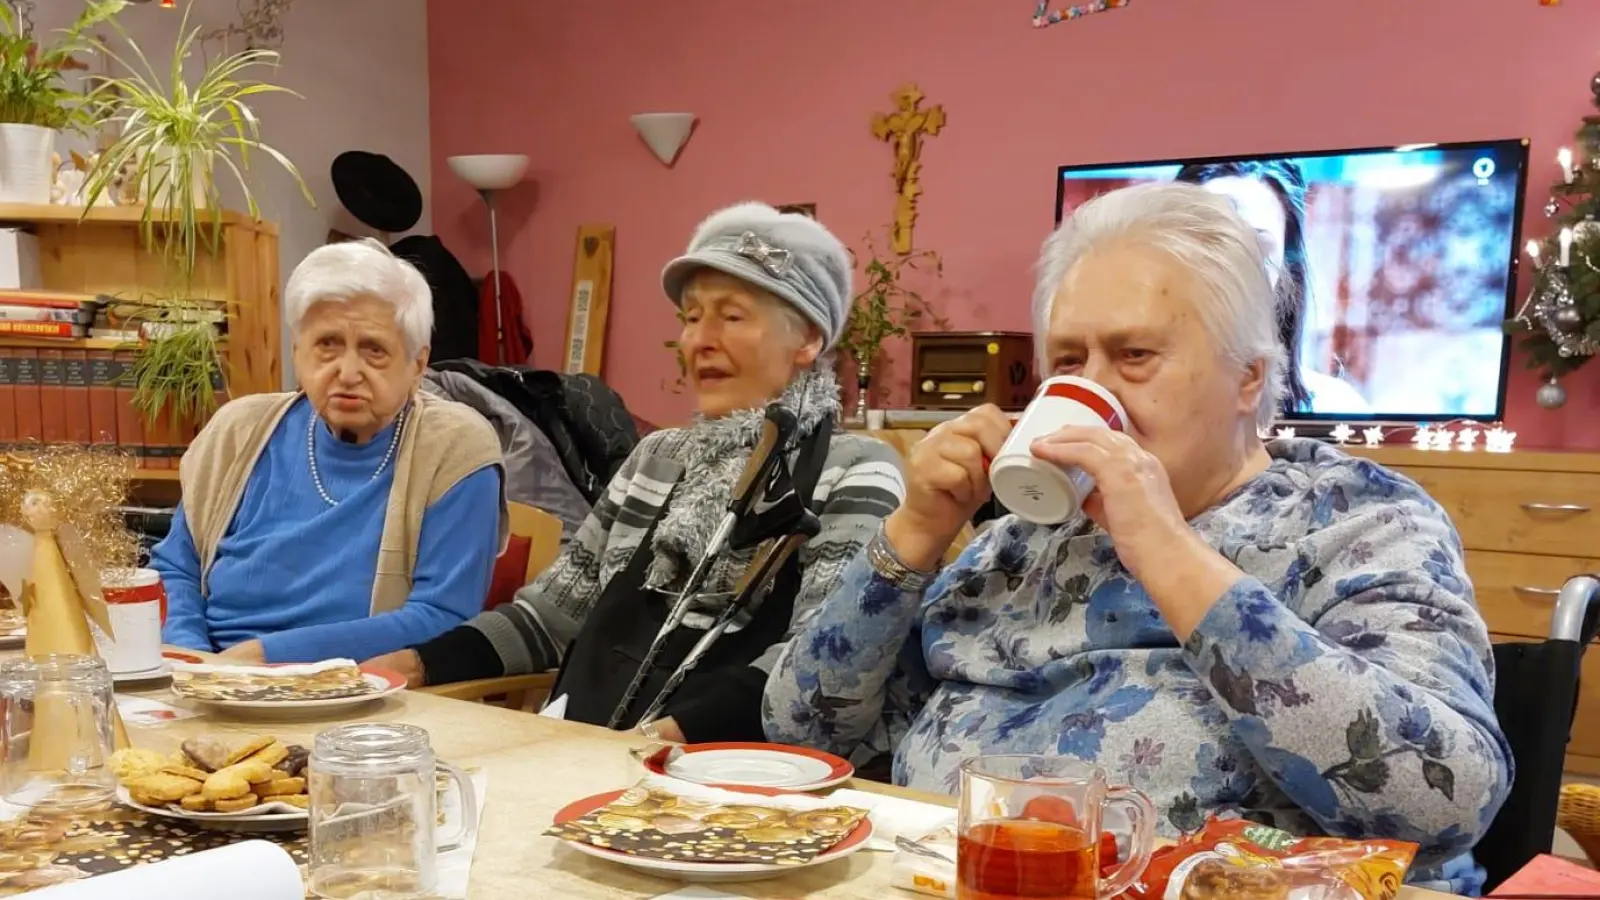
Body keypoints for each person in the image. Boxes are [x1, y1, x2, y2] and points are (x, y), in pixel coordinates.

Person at [763, 183, 1509, 894]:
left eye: (1135, 356)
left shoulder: (1359, 521)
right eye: (1068, 362)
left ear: (1248, 378)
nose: (1095, 390)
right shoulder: (1017, 545)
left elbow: (1446, 800)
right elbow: (801, 735)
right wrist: (917, 532)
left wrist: (1167, 552)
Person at [367, 202, 905, 745]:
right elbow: (549, 619)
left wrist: (658, 740)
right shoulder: (657, 458)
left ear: (808, 339)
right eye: (692, 318)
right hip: (590, 757)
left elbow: (818, 659)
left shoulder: (855, 470)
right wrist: (407, 666)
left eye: (731, 315)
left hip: (734, 784)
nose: (699, 341)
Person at [155, 239, 506, 664]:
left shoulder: (454, 447)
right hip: (211, 678)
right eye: (328, 345)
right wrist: (195, 661)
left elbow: (443, 616)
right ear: (297, 352)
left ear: (417, 363)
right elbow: (176, 569)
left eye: (374, 350)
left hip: (361, 695)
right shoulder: (238, 431)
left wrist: (269, 656)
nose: (348, 372)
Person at [1175, 159, 1369, 416]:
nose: (1232, 267)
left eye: (1257, 247)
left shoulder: (1336, 407)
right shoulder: (1125, 399)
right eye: (1208, 243)